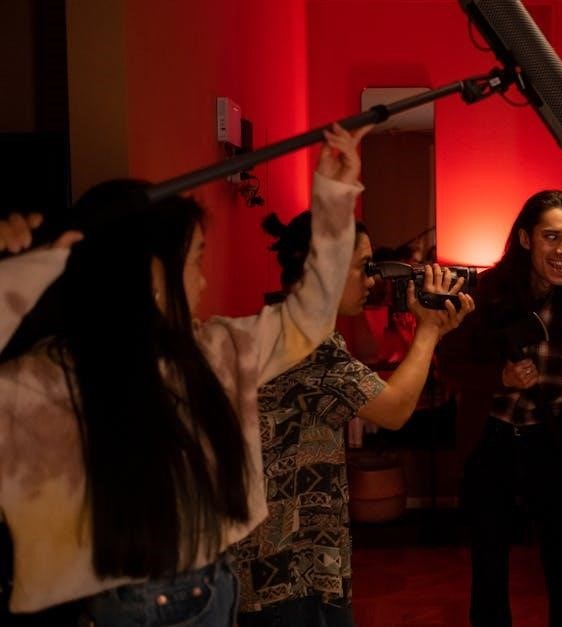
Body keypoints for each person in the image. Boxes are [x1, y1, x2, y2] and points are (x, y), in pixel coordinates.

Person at [0, 123, 368, 625]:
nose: (204, 280)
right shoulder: (46, 379)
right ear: (153, 273)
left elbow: (310, 317)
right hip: (145, 607)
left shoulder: (211, 349)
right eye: (196, 259)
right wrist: (19, 273)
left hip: (218, 583)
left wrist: (334, 195)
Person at [232, 217, 473, 626]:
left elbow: (366, 350)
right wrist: (428, 330)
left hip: (279, 555)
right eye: (363, 267)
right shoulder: (304, 342)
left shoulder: (283, 324)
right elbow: (395, 411)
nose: (371, 280)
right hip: (290, 567)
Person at [438, 190, 562, 627]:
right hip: (493, 437)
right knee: (489, 564)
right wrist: (500, 377)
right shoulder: (486, 292)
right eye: (551, 237)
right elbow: (447, 363)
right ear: (526, 239)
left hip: (556, 440)